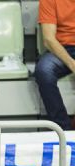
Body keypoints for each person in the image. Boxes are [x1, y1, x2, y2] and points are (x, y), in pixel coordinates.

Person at [36, 0, 75, 130]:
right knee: (44, 71)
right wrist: (72, 64)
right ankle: (63, 129)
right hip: (61, 48)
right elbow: (49, 39)